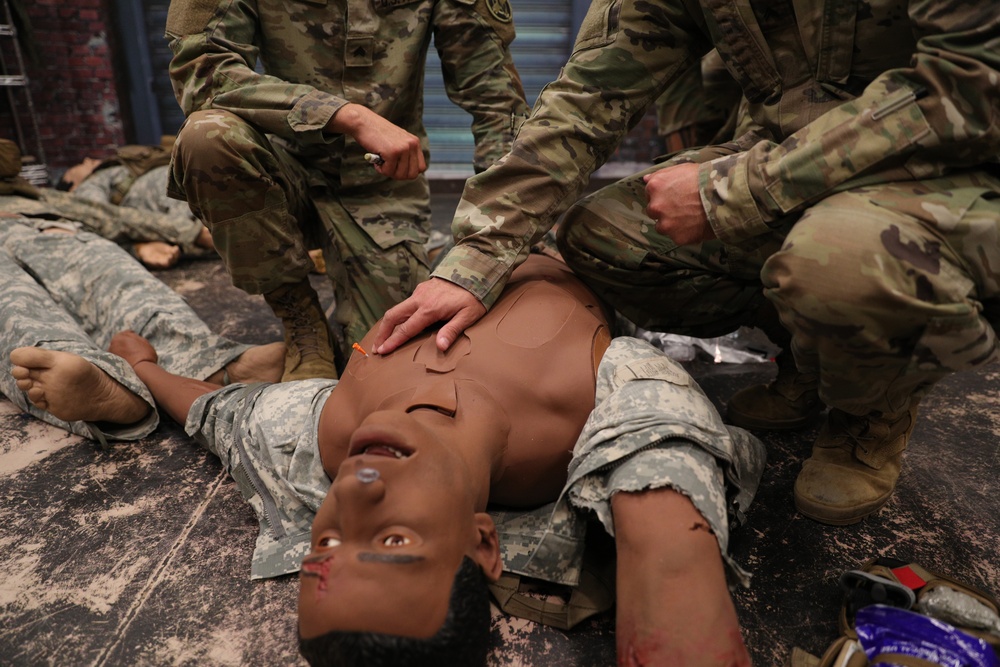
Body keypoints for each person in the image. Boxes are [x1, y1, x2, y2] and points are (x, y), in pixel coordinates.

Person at [372, 0, 1000, 527]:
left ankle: (871, 406)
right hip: (784, 154)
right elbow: (588, 98)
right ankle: (819, 359)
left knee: (838, 268)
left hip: (938, 169)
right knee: (602, 235)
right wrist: (475, 260)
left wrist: (739, 189)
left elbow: (968, 83)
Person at [109, 251, 766, 666]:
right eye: (393, 536)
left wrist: (140, 369)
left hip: (446, 248)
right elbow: (667, 526)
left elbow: (219, 416)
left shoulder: (331, 433)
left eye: (329, 537)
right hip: (582, 239)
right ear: (484, 542)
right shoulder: (596, 406)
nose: (357, 490)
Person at [163, 0, 531, 383]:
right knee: (206, 137)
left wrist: (496, 237)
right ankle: (301, 319)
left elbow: (495, 102)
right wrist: (346, 116)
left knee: (390, 365)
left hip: (383, 191)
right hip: (283, 176)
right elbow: (202, 71)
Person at [0, 138, 284, 444]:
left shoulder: (34, 197)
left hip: (44, 229)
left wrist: (187, 235)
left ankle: (216, 365)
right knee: (15, 312)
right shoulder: (85, 184)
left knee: (123, 284)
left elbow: (112, 217)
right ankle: (105, 388)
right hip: (41, 230)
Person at [58, 142, 216, 269]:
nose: (86, 160)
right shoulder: (84, 188)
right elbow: (100, 219)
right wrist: (138, 249)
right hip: (175, 196)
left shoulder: (124, 167)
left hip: (174, 193)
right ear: (71, 187)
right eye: (76, 167)